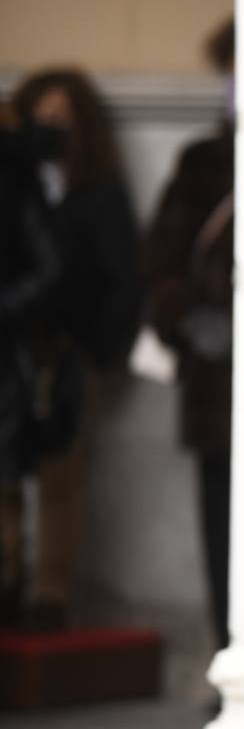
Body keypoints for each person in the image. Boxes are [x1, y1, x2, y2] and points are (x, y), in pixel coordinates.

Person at [9, 68, 140, 630]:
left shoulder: (98, 195)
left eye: (63, 117)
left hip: (66, 353)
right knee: (6, 470)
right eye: (41, 116)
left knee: (63, 474)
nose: (50, 129)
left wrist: (99, 354)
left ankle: (49, 595)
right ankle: (8, 577)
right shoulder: (14, 187)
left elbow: (120, 280)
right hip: (11, 350)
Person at [144, 18, 237, 649]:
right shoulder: (203, 164)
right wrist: (190, 320)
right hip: (219, 389)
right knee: (222, 528)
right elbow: (159, 264)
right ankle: (228, 656)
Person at [0, 104, 63, 624]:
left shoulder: (13, 179)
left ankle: (11, 589)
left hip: (6, 356)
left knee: (6, 481)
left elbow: (47, 267)